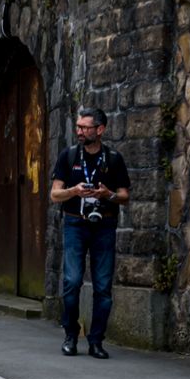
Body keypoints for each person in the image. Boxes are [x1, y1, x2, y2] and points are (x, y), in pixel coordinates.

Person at [49, 108, 132, 358]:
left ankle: (96, 341)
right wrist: (74, 191)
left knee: (103, 287)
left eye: (85, 128)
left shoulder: (114, 159)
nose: (80, 132)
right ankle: (71, 335)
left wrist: (108, 195)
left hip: (104, 224)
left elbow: (125, 197)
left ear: (100, 130)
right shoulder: (69, 155)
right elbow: (54, 195)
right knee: (72, 281)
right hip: (75, 222)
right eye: (78, 127)